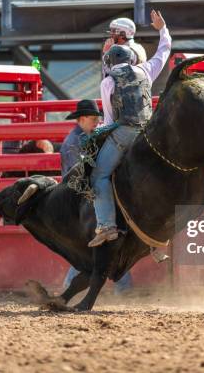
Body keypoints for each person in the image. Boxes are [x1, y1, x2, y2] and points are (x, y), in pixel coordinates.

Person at [89, 9, 171, 247]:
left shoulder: (108, 81)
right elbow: (164, 51)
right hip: (149, 129)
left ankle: (106, 225)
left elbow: (109, 117)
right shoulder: (145, 70)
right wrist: (163, 29)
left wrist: (99, 135)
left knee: (98, 175)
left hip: (124, 132)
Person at [60, 99, 135, 294]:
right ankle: (123, 287)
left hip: (88, 201)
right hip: (84, 203)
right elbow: (80, 176)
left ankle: (70, 288)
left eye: (97, 119)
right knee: (96, 248)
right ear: (82, 119)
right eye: (93, 119)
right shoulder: (74, 143)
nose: (97, 123)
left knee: (92, 249)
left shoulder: (82, 138)